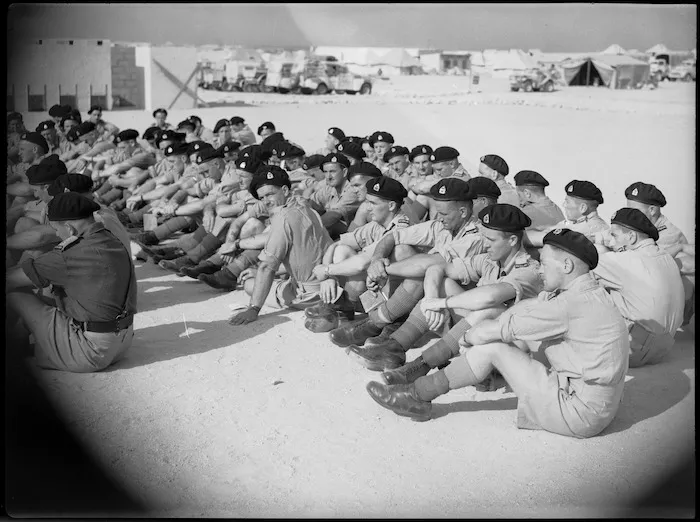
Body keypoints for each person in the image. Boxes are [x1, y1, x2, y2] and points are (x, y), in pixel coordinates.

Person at [365, 228, 630, 440]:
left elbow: (498, 331)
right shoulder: (588, 293)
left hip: (578, 411)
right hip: (595, 402)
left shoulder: (570, 305)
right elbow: (527, 310)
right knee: (499, 322)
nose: (540, 269)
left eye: (545, 264)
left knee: (491, 346)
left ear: (567, 266)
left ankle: (417, 395)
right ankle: (424, 375)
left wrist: (469, 339)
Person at [349, 203, 541, 374]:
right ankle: (393, 348)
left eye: (491, 239)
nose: (485, 244)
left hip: (516, 346)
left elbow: (490, 297)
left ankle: (420, 369)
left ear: (513, 241)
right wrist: (431, 300)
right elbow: (435, 268)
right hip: (481, 332)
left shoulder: (528, 270)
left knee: (491, 309)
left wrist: (441, 302)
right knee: (442, 283)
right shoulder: (490, 261)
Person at [328, 178, 486, 349]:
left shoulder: (475, 237)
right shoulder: (441, 225)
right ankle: (392, 323)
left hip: (465, 314)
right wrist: (377, 260)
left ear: (463, 212)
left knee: (424, 272)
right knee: (401, 249)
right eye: (438, 212)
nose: (439, 218)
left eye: (445, 214)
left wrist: (383, 270)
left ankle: (381, 326)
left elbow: (428, 264)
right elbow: (393, 237)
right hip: (437, 304)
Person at [6, 192, 137, 373]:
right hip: (121, 343)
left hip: (91, 352)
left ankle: (16, 346)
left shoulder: (70, 254)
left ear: (69, 228)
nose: (58, 235)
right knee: (53, 288)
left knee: (16, 293)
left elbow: (11, 280)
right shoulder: (110, 239)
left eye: (57, 230)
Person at [228, 165, 334, 325]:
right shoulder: (305, 206)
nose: (266, 202)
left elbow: (267, 267)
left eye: (270, 194)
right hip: (329, 283)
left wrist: (253, 308)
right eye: (261, 197)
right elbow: (302, 258)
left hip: (310, 294)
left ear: (285, 190)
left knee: (249, 285)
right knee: (257, 277)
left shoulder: (283, 217)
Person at [592, 208, 684, 367]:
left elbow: (582, 267)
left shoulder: (628, 259)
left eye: (614, 235)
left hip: (635, 351)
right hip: (663, 348)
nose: (612, 242)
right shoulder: (665, 256)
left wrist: (599, 244)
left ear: (631, 237)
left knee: (588, 288)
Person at [47, 173, 132, 256]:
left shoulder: (92, 218)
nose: (56, 203)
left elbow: (40, 237)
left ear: (67, 192)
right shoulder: (102, 210)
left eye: (57, 199)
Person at [524, 180, 609, 248]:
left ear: (583, 208)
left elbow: (533, 238)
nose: (564, 205)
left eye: (567, 202)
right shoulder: (575, 223)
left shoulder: (592, 229)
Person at [307, 153, 362, 239]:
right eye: (325, 172)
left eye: (332, 171)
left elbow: (333, 215)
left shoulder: (353, 189)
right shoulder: (328, 189)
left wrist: (307, 229)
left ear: (344, 172)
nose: (328, 176)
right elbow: (308, 205)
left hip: (356, 238)